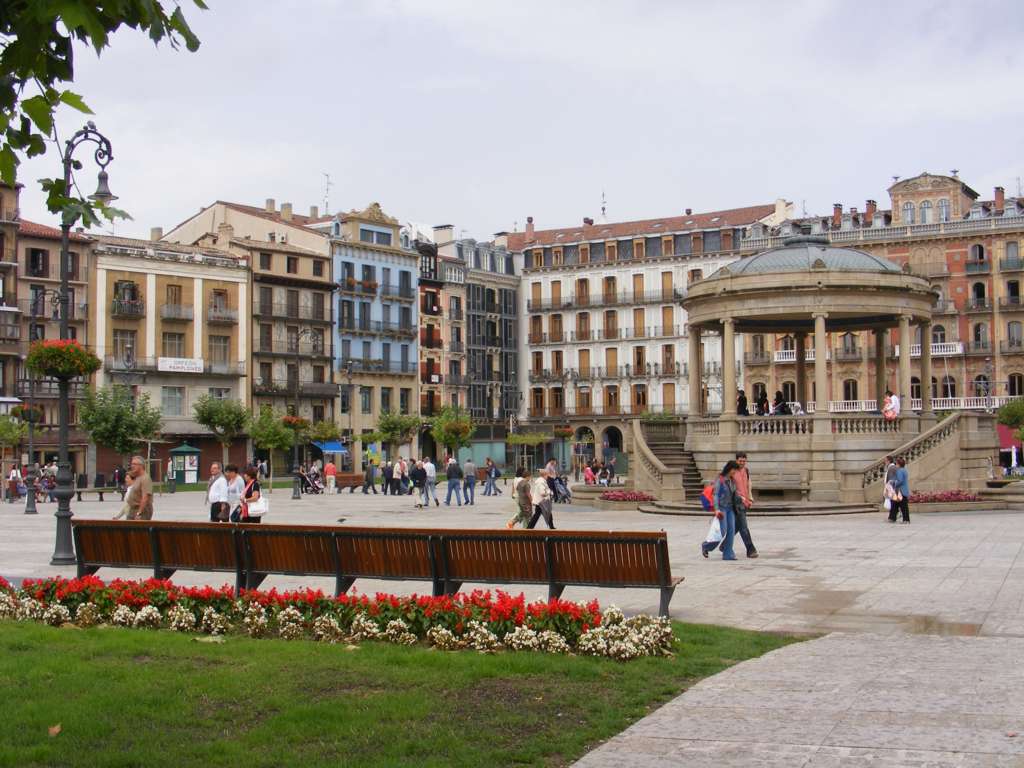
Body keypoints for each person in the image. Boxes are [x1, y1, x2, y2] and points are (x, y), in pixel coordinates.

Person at [703, 460, 740, 560]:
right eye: (734, 470)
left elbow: (734, 494)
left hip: (730, 508)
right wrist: (716, 509)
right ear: (729, 468)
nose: (734, 472)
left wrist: (742, 499)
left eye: (736, 470)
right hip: (722, 508)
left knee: (731, 531)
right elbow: (715, 495)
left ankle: (728, 554)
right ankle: (706, 546)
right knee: (722, 531)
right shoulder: (720, 479)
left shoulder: (732, 481)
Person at [733, 452, 758, 558]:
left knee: (736, 527)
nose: (742, 463)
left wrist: (750, 498)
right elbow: (732, 489)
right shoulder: (732, 472)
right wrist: (741, 498)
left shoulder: (746, 471)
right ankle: (751, 550)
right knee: (744, 527)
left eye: (744, 461)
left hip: (745, 503)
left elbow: (749, 485)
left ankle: (723, 545)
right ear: (736, 460)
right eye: (740, 461)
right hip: (737, 503)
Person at [124, 455, 154, 520]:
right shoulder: (138, 477)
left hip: (142, 511)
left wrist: (139, 513)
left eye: (134, 464)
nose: (132, 466)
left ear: (141, 466)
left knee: (138, 530)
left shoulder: (145, 478)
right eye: (132, 464)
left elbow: (145, 498)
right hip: (132, 510)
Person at [888, 457, 911, 524]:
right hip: (903, 490)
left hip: (900, 491)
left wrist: (893, 482)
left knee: (902, 506)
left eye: (896, 464)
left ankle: (905, 519)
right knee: (895, 504)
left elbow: (900, 480)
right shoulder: (904, 470)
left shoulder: (899, 471)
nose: (896, 465)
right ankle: (892, 518)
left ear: (898, 464)